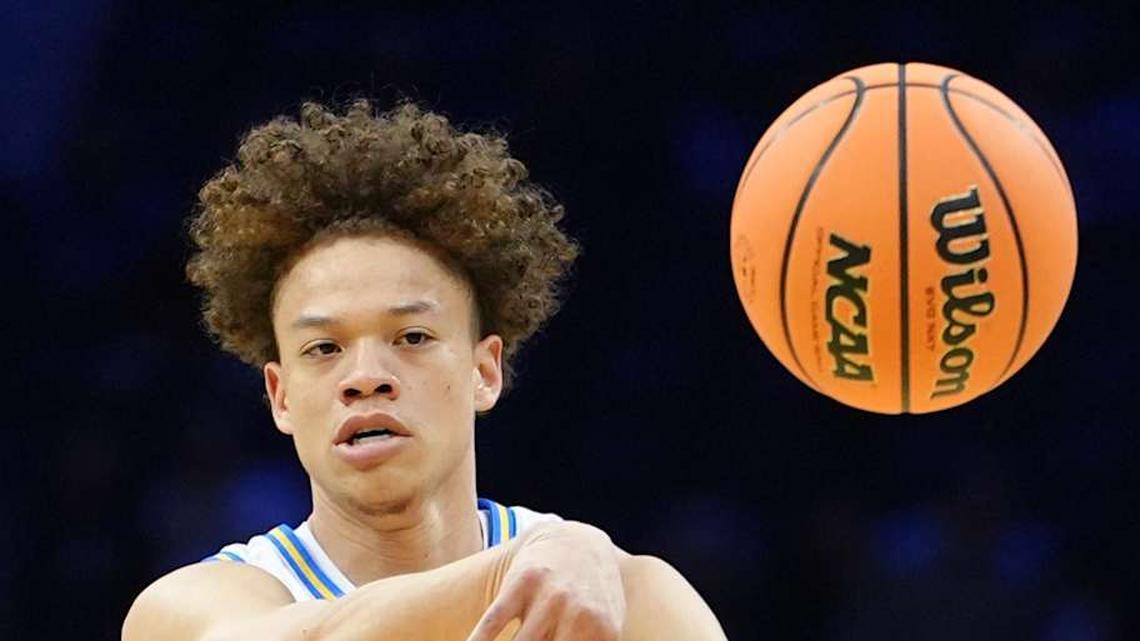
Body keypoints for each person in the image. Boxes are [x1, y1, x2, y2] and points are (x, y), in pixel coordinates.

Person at [122, 100, 726, 641]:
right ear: (280, 397)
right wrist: (530, 562)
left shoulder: (631, 603)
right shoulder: (192, 608)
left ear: (484, 371)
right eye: (323, 349)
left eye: (411, 337)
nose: (365, 376)